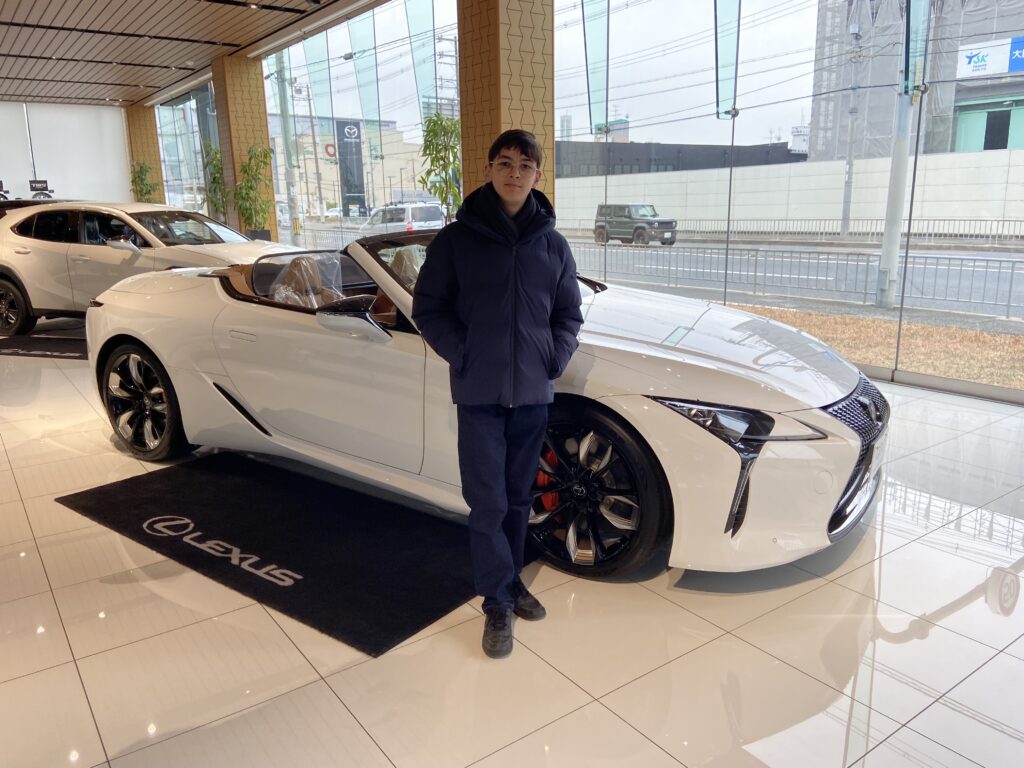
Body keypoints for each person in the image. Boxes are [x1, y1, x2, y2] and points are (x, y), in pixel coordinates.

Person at [412, 129, 584, 659]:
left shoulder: (553, 246)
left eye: (525, 165)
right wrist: (464, 354)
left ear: (538, 175)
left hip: (532, 394)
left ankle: (509, 582)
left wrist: (553, 358)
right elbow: (428, 308)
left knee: (517, 499)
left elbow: (568, 314)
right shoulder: (456, 241)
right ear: (488, 170)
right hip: (480, 395)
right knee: (487, 502)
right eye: (505, 162)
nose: (514, 172)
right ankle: (497, 602)